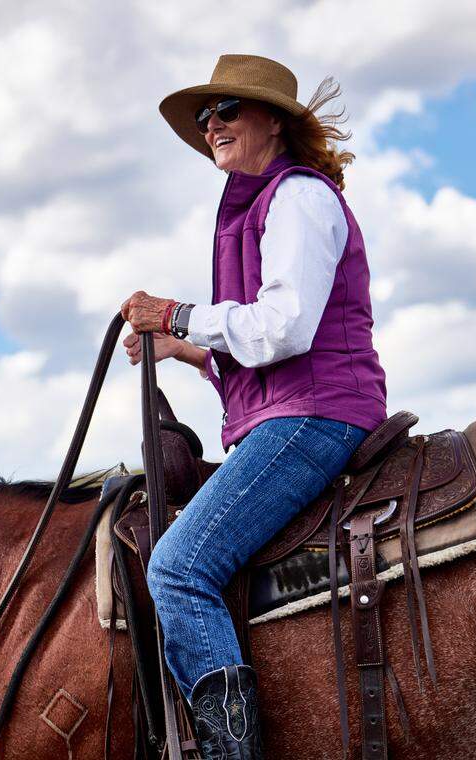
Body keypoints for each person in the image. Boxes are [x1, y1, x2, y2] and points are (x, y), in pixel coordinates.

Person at [119, 53, 387, 759]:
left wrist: (176, 315)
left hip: (317, 415)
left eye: (227, 110)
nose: (212, 124)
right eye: (205, 117)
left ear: (274, 121)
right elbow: (267, 356)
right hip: (298, 408)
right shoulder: (257, 207)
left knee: (178, 568)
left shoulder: (297, 197)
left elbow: (285, 328)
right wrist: (189, 351)